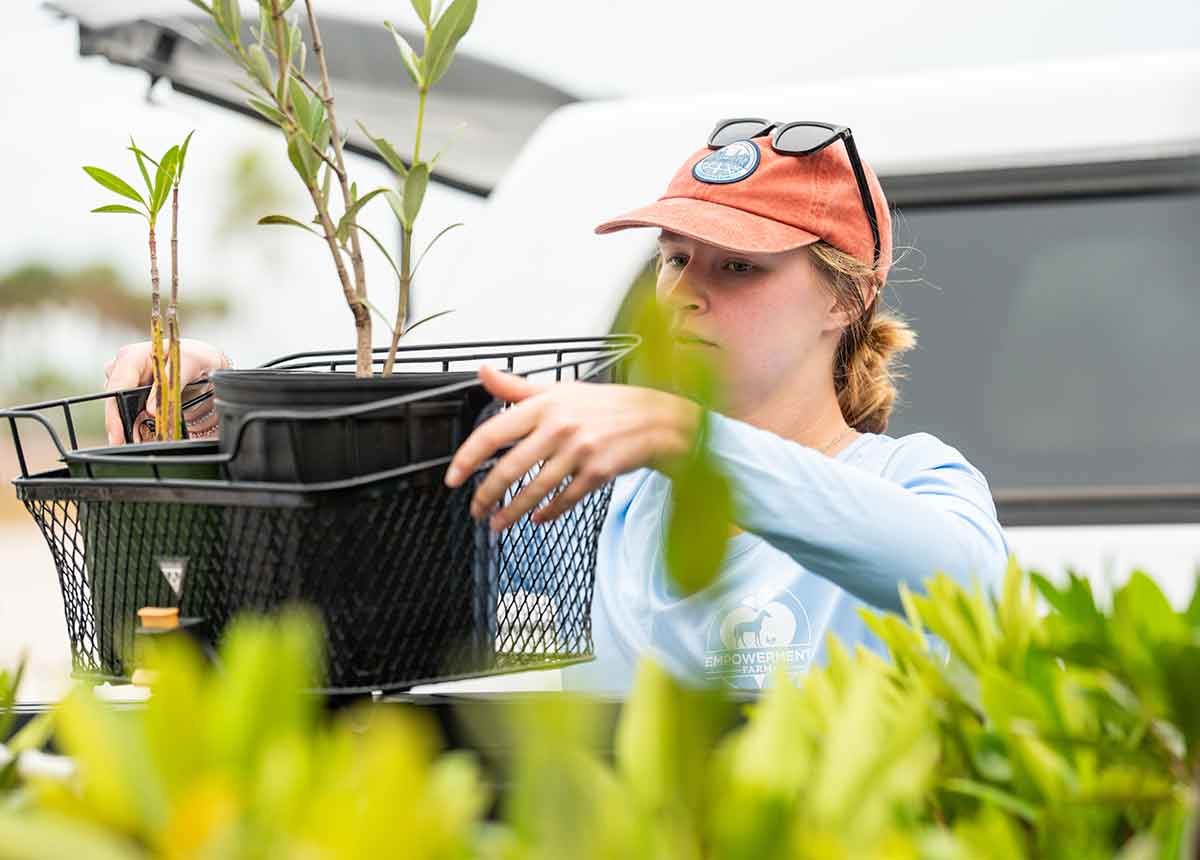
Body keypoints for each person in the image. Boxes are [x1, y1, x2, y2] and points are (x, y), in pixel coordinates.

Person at [104, 119, 1009, 693]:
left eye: (740, 266)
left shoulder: (910, 478)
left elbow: (967, 583)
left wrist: (685, 434)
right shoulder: (614, 501)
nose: (686, 293)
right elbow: (365, 556)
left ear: (847, 300)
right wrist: (217, 432)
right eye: (673, 257)